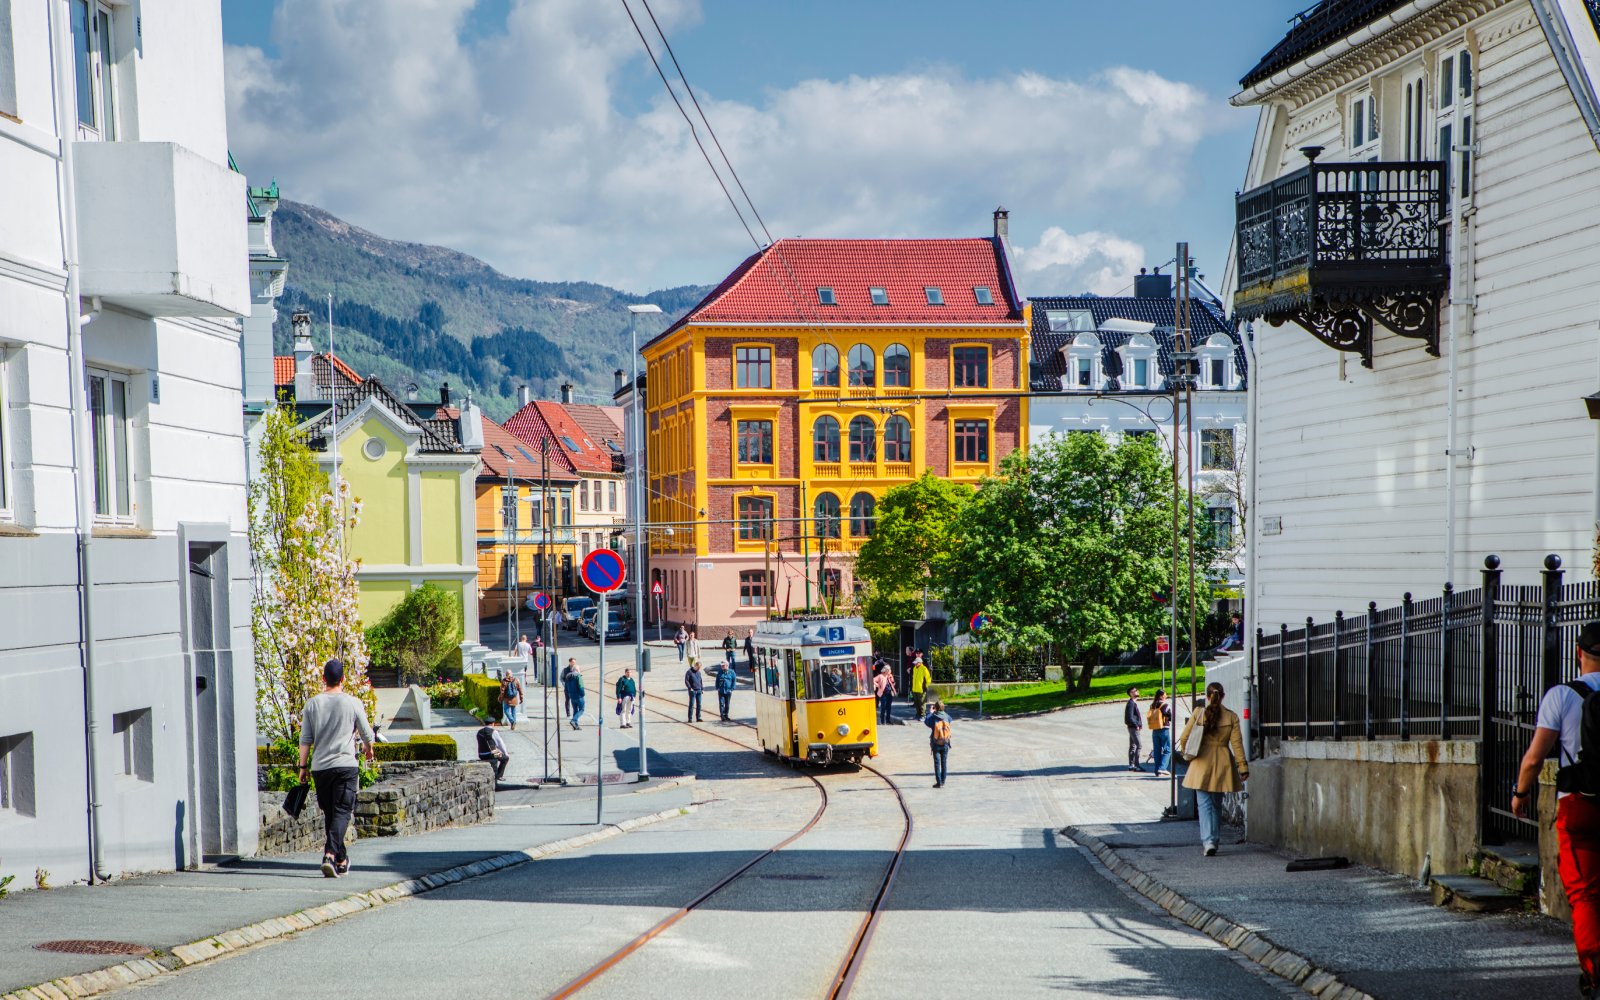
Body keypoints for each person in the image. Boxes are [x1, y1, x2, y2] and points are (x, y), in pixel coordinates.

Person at [1514, 621, 1600, 996]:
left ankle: (1596, 974)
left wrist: (1520, 793)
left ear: (1578, 653)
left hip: (1580, 804)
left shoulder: (1562, 696)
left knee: (1586, 895)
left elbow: (1535, 758)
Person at [296, 659, 375, 878]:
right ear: (343, 679)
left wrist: (303, 767)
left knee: (331, 813)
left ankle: (341, 860)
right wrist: (369, 750)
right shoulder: (352, 703)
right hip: (345, 766)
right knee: (342, 812)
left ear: (323, 679)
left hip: (321, 768)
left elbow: (305, 739)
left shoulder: (312, 704)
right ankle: (330, 854)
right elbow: (367, 734)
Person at [1178, 682, 1249, 856]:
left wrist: (1187, 756)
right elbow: (1237, 745)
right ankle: (1214, 840)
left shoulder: (1198, 713)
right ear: (1222, 696)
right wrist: (1242, 766)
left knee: (1204, 804)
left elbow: (1184, 738)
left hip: (1201, 761)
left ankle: (1208, 841)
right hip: (1222, 761)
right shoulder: (1231, 717)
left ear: (1207, 696)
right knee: (1216, 804)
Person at [924, 700, 952, 788]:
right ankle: (943, 781)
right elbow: (950, 720)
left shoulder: (933, 717)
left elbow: (926, 722)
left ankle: (938, 782)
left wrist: (931, 712)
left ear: (935, 708)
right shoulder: (947, 716)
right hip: (945, 743)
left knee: (937, 763)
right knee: (944, 762)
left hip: (936, 743)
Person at [475, 718, 511, 782]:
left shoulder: (479, 732)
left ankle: (497, 775)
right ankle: (499, 776)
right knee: (505, 758)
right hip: (491, 753)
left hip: (481, 754)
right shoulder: (493, 731)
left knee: (498, 755)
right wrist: (505, 753)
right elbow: (500, 743)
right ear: (492, 724)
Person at [1147, 689, 1172, 777]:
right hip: (1164, 728)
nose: (1166, 696)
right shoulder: (1165, 705)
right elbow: (1169, 715)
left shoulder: (1152, 705)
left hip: (1155, 729)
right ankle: (1162, 768)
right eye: (1165, 694)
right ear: (1161, 696)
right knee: (1167, 749)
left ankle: (1157, 770)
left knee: (1157, 750)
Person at [1124, 686, 1144, 772]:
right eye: (1135, 691)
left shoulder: (1132, 703)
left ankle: (1131, 765)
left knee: (1133, 746)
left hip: (1132, 727)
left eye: (1137, 690)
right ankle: (1137, 765)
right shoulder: (1131, 704)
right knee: (1139, 745)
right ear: (1131, 694)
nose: (1137, 691)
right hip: (1133, 728)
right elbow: (1129, 717)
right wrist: (1136, 725)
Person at [563, 658, 586, 730]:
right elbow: (581, 687)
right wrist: (583, 694)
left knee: (575, 710)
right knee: (581, 710)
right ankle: (573, 720)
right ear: (577, 670)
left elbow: (566, 687)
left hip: (571, 696)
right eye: (579, 670)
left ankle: (576, 726)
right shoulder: (578, 677)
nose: (580, 671)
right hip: (579, 696)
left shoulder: (567, 677)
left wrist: (569, 694)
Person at [910, 654, 932, 721]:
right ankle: (918, 714)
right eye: (915, 663)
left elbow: (928, 679)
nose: (915, 664)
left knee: (922, 702)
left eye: (916, 663)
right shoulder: (914, 669)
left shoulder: (924, 669)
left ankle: (923, 715)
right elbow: (913, 678)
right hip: (915, 689)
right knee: (916, 703)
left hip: (921, 689)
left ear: (920, 663)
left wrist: (926, 686)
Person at [716, 656, 737, 721]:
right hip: (721, 690)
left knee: (727, 704)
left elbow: (734, 681)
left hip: (728, 691)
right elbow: (717, 680)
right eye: (721, 666)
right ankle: (722, 715)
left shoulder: (732, 672)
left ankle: (726, 715)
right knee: (721, 703)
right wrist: (717, 688)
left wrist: (732, 689)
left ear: (727, 665)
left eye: (723, 666)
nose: (722, 667)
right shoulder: (719, 672)